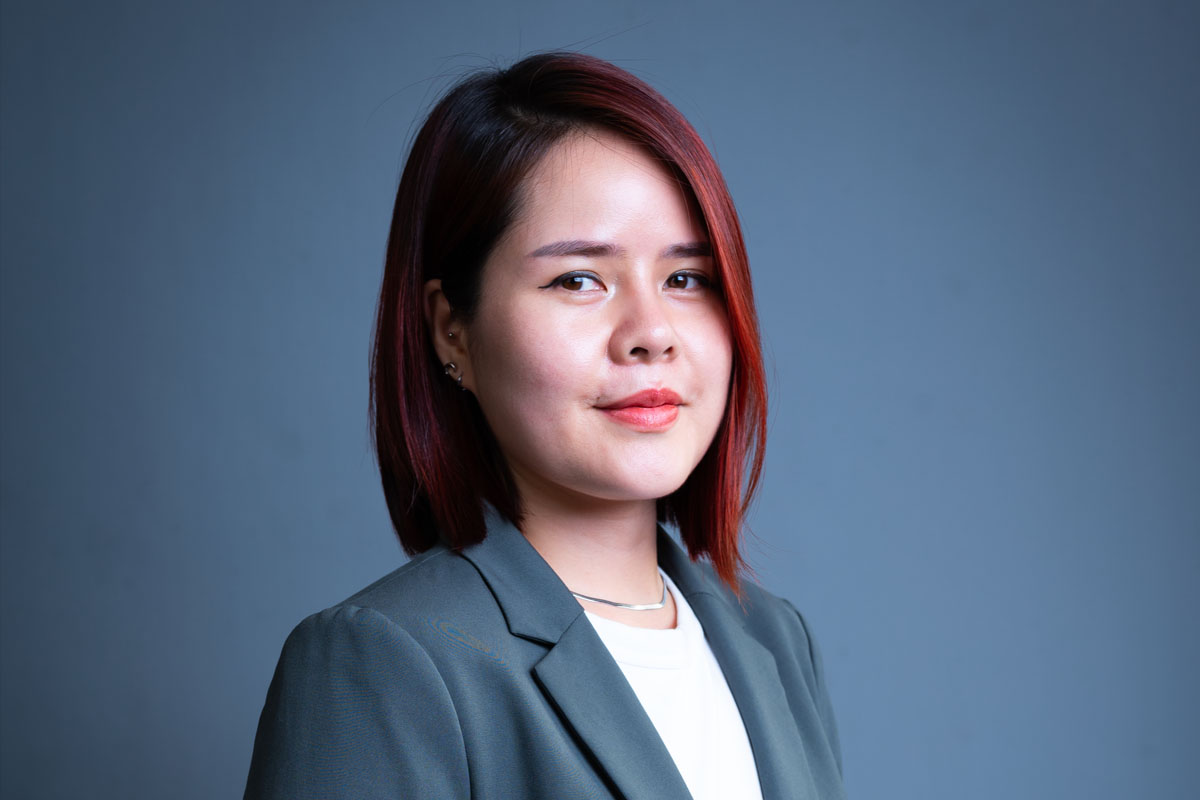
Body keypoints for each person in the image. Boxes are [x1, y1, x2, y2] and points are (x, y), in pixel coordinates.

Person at [244, 51, 845, 800]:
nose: (651, 332)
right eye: (578, 279)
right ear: (451, 330)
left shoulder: (774, 641)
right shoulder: (386, 661)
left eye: (686, 279)